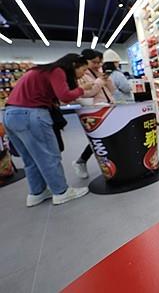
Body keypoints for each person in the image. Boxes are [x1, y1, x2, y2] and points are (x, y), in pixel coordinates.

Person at [3, 54, 93, 206]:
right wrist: (81, 89)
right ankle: (61, 192)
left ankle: (36, 193)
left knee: (29, 159)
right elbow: (64, 96)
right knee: (49, 156)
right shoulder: (57, 70)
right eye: (83, 70)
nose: (83, 74)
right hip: (32, 115)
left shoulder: (41, 71)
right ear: (73, 64)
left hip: (10, 115)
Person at [72, 49, 115, 179]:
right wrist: (99, 81)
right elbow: (86, 93)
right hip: (93, 110)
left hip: (108, 107)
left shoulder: (99, 72)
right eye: (94, 62)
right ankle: (81, 161)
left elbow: (112, 90)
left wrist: (106, 79)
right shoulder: (81, 74)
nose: (98, 65)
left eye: (99, 63)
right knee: (97, 138)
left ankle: (112, 162)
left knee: (109, 137)